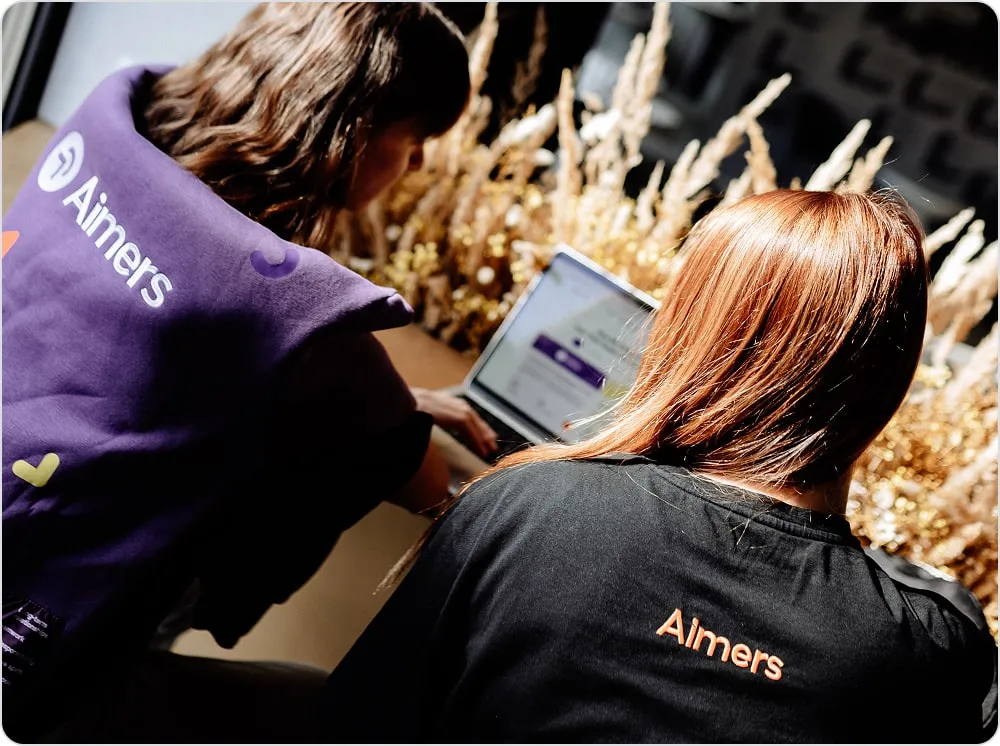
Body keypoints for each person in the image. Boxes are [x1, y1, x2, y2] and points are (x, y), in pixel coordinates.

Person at [321, 189, 999, 743]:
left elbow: (356, 726)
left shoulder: (523, 503)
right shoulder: (932, 647)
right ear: (888, 388)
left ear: (685, 331)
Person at [1, 3, 496, 742]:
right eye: (416, 137)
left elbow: (160, 352)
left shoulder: (107, 133)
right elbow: (436, 485)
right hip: (35, 668)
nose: (419, 163)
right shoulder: (300, 324)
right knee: (336, 712)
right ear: (355, 131)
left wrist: (381, 394)